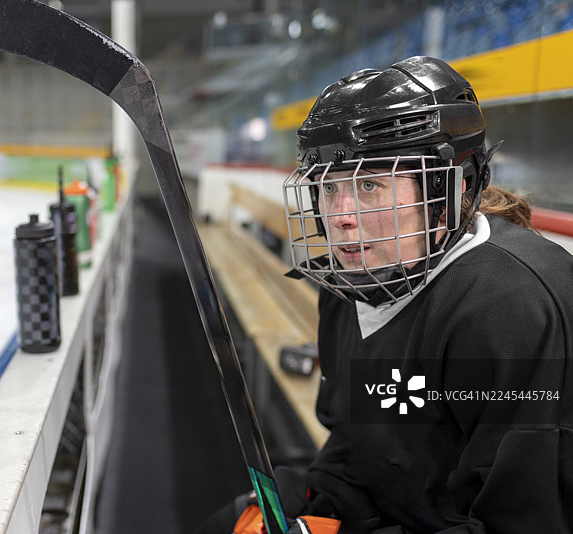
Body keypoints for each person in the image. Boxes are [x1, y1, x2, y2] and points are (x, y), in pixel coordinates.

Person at [200, 56, 573, 534]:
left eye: (370, 185)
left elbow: (526, 524)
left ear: (448, 186)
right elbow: (363, 453)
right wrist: (315, 497)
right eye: (329, 188)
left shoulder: (514, 306)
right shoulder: (354, 282)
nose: (340, 216)